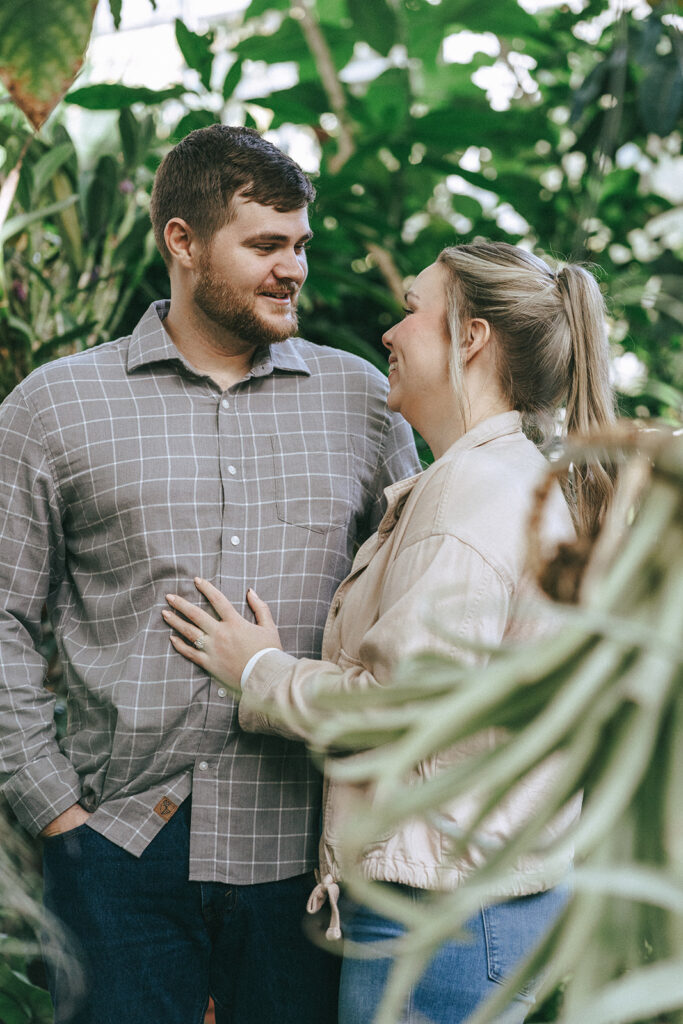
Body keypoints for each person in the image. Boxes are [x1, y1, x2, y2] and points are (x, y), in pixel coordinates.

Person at [0, 124, 419, 1024]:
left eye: (300, 245)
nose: (293, 269)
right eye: (265, 245)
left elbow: (411, 600)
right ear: (181, 242)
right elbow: (3, 614)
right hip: (116, 849)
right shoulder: (55, 405)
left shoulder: (362, 403)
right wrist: (54, 815)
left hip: (306, 853)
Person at [163, 241, 617, 1024]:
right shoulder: (509, 476)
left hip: (439, 915)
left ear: (469, 337)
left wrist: (259, 669)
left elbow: (399, 710)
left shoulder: (468, 499)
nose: (389, 333)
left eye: (412, 309)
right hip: (483, 898)